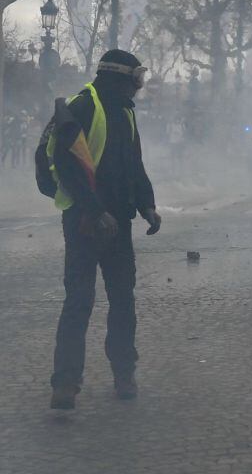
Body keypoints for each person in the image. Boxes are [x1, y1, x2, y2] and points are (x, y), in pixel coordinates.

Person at [47, 50, 162, 410]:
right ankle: (65, 384)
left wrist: (147, 205)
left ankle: (123, 373)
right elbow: (67, 167)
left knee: (122, 300)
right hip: (84, 222)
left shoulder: (125, 111)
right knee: (79, 302)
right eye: (137, 76)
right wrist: (96, 211)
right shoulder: (85, 106)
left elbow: (133, 163)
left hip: (119, 221)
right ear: (122, 76)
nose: (139, 85)